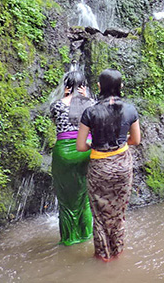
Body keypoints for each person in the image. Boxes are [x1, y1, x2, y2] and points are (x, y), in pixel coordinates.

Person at [76, 69, 140, 261]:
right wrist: (120, 144)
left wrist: (95, 146)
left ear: (99, 87)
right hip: (122, 165)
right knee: (119, 213)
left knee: (100, 216)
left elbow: (80, 146)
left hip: (99, 167)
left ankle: (103, 257)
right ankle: (118, 252)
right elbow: (136, 139)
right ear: (121, 87)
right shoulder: (130, 109)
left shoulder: (91, 112)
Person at [49, 70, 93, 246]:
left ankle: (69, 239)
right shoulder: (90, 104)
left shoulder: (56, 105)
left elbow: (57, 123)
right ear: (84, 87)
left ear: (66, 87)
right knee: (85, 199)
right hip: (85, 151)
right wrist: (85, 98)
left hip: (64, 153)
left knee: (66, 200)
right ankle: (86, 235)